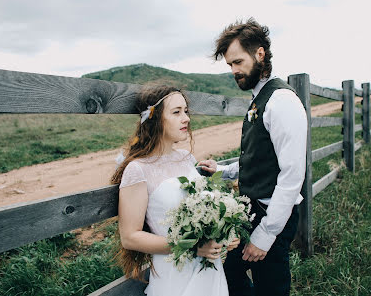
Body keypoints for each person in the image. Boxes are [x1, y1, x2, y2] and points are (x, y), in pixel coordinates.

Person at [198, 18, 307, 296]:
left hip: (273, 215)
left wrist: (266, 234)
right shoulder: (260, 97)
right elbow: (259, 158)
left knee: (271, 286)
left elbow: (292, 175)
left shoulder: (282, 101)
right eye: (230, 65)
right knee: (227, 271)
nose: (234, 71)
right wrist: (222, 171)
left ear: (260, 53)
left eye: (238, 62)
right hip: (253, 211)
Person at [111, 85, 239, 296]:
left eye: (186, 111)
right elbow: (130, 237)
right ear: (155, 118)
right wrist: (192, 246)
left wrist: (223, 235)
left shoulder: (186, 158)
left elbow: (202, 210)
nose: (186, 118)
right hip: (174, 274)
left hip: (208, 270)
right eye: (177, 112)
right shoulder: (138, 169)